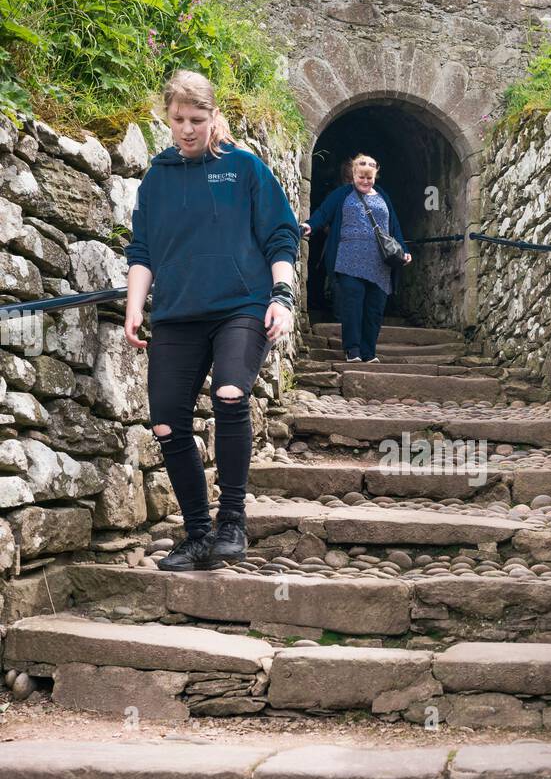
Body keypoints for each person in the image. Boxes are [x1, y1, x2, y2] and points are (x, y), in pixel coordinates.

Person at [123, 69, 299, 571]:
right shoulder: (156, 179)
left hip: (240, 308)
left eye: (197, 119)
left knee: (230, 392)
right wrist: (136, 304)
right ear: (167, 117)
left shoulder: (243, 168)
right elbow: (143, 249)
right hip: (178, 314)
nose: (187, 129)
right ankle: (198, 532)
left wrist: (281, 296)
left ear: (214, 117)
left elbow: (280, 235)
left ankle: (232, 523)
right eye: (178, 119)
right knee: (164, 422)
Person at [300, 153, 411, 362]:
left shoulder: (383, 196)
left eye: (369, 178)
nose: (365, 181)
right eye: (361, 177)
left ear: (375, 175)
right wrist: (309, 225)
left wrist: (403, 249)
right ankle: (353, 350)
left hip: (379, 263)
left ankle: (369, 353)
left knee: (374, 310)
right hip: (348, 260)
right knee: (352, 306)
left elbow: (393, 226)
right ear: (353, 174)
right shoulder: (341, 194)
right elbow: (323, 213)